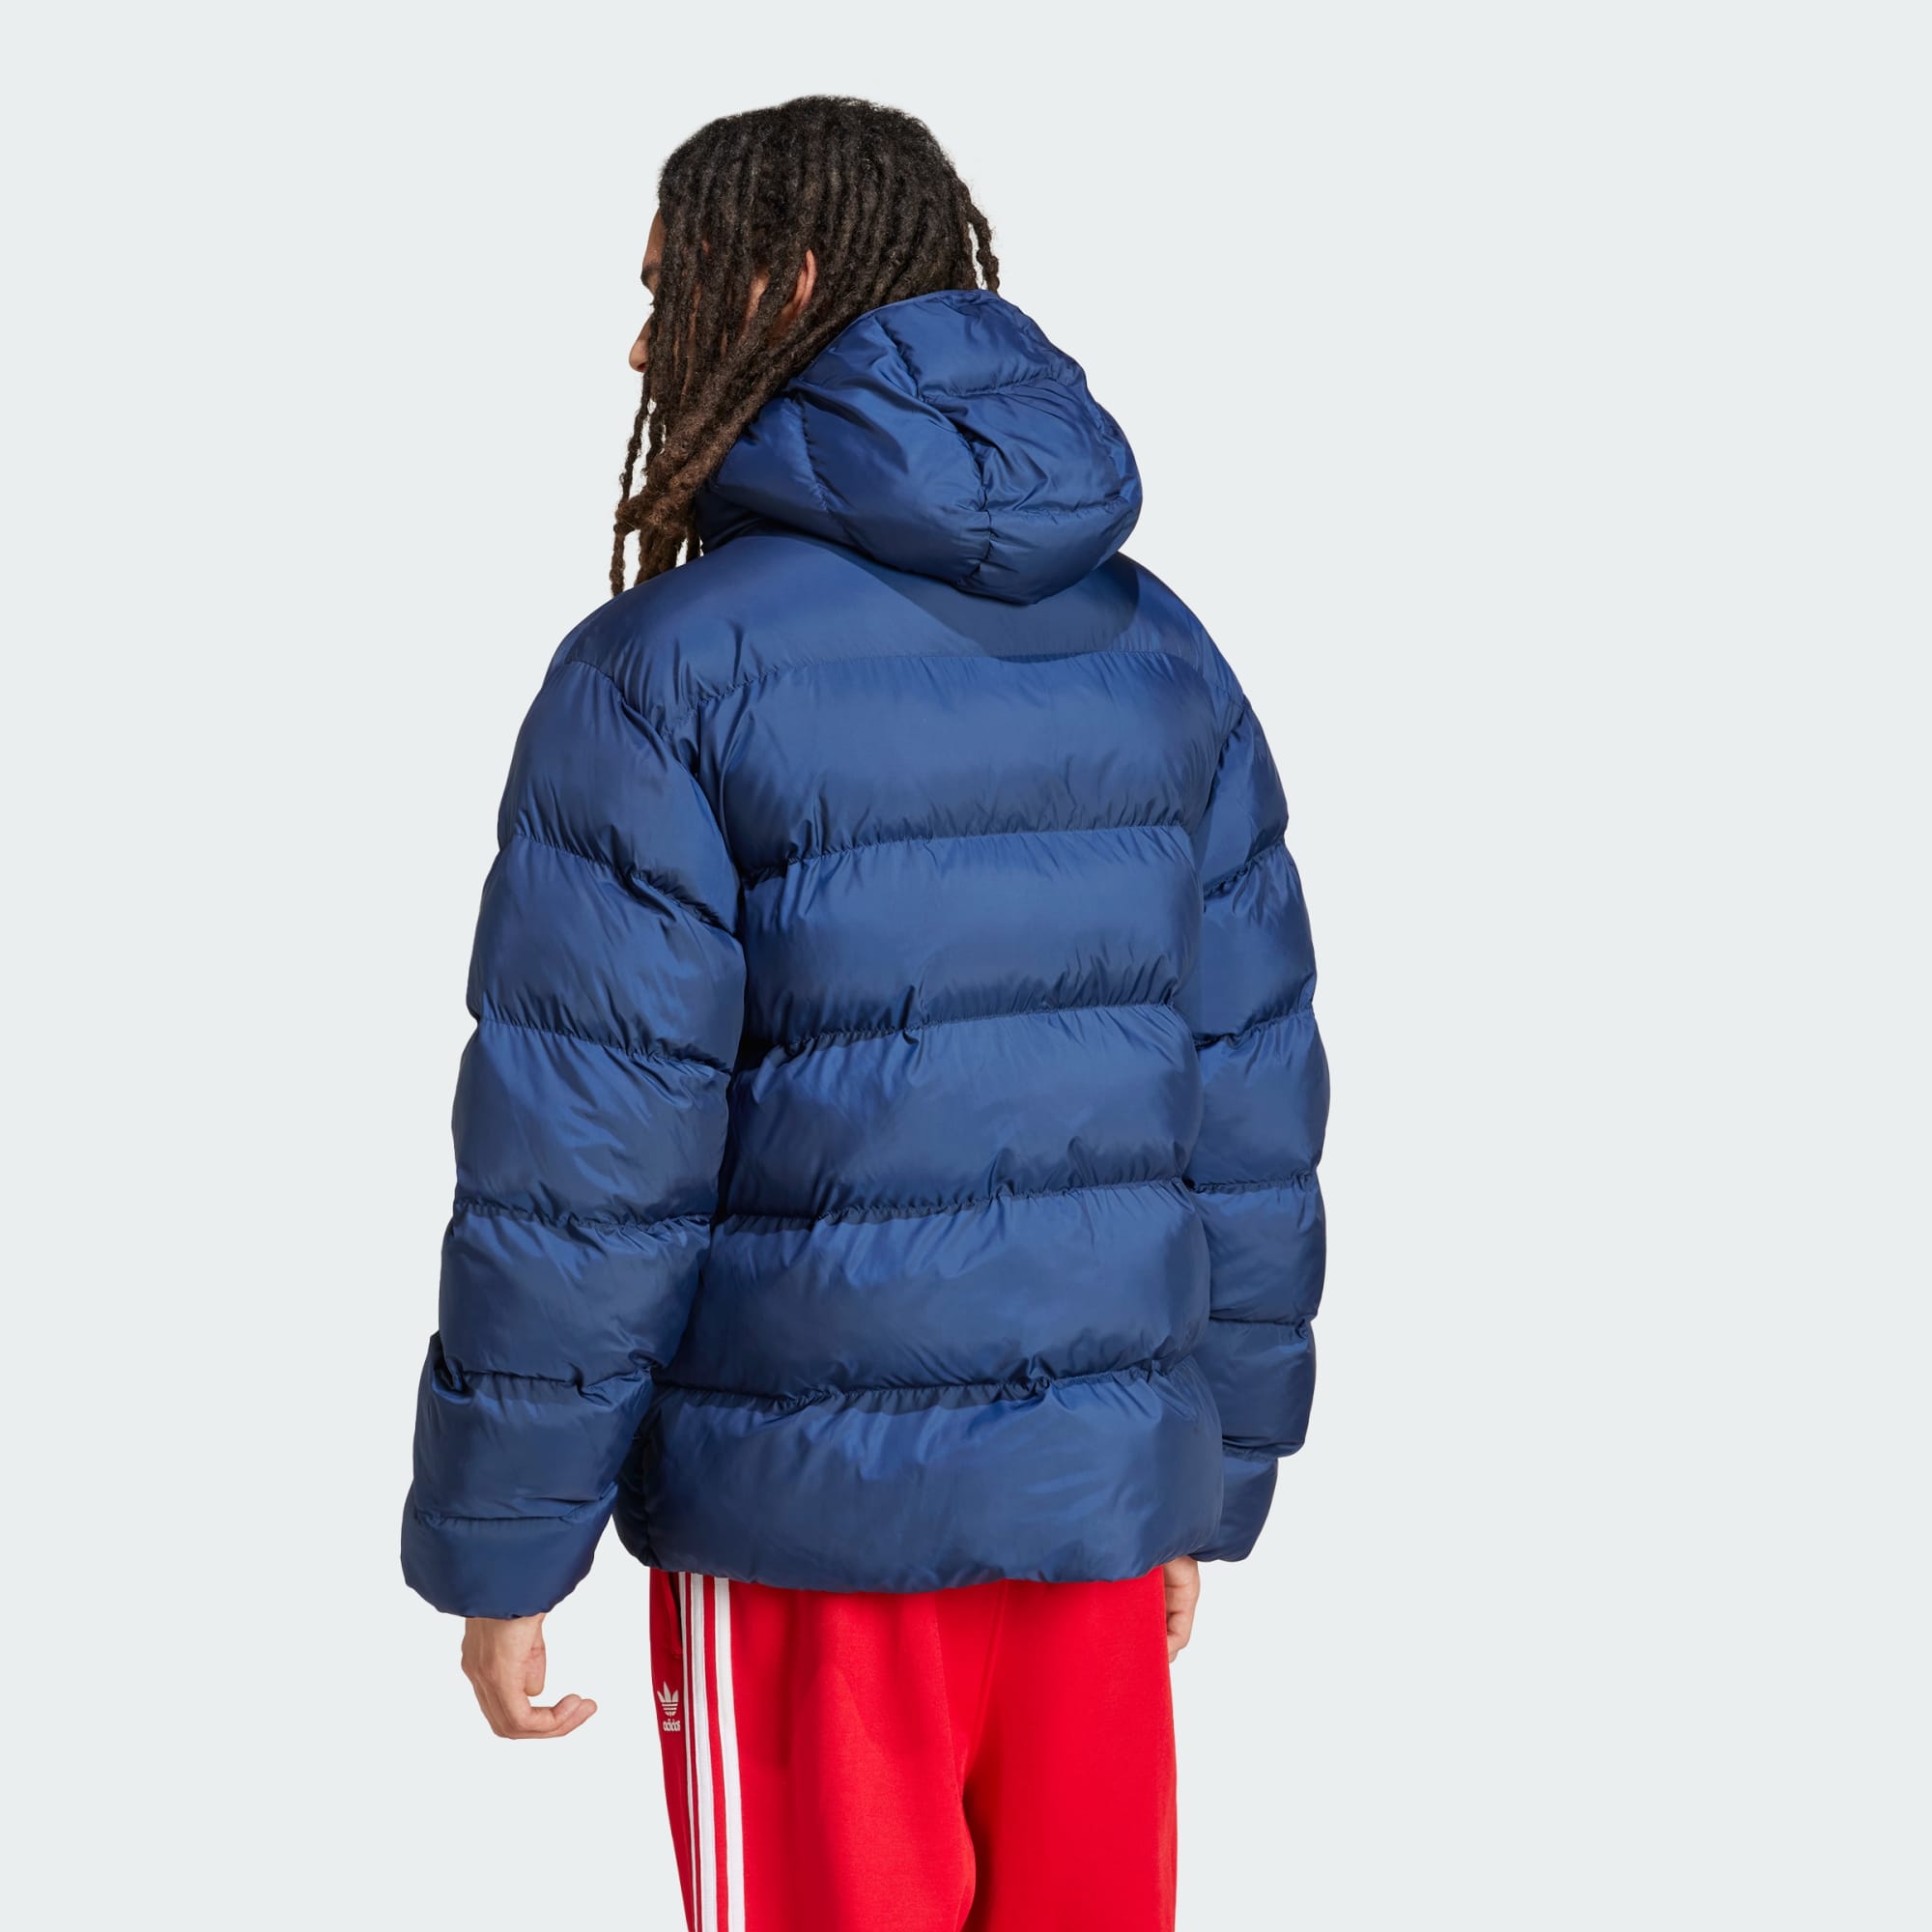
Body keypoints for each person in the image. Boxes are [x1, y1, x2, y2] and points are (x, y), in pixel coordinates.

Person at [403, 95, 1328, 1932]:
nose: (645, 347)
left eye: (667, 289)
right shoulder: (1163, 653)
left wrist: (506, 1537)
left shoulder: (662, 671)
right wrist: (1203, 1468)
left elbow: (587, 1160)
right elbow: (1251, 1099)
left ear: (790, 279)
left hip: (801, 1531)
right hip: (1091, 1513)